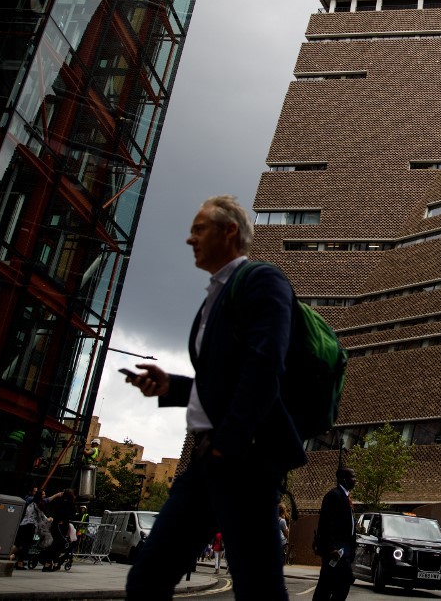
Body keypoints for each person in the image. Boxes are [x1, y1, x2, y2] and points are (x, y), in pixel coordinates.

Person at [124, 195, 306, 601]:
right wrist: (171, 386)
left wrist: (229, 443)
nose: (190, 239)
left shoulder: (262, 280)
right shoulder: (214, 298)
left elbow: (265, 365)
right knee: (147, 579)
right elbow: (222, 384)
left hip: (242, 461)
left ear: (229, 232)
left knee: (258, 591)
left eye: (199, 228)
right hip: (208, 461)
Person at [312, 468, 357, 601]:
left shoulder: (345, 497)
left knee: (336, 584)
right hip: (335, 551)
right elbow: (327, 523)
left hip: (345, 551)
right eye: (352, 477)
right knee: (331, 584)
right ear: (343, 478)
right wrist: (331, 548)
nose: (355, 480)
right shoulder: (333, 496)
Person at [42, 489, 76, 571]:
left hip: (55, 524)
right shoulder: (70, 504)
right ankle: (51, 563)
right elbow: (72, 514)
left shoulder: (59, 502)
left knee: (54, 543)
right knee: (58, 545)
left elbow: (55, 511)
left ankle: (49, 563)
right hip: (62, 526)